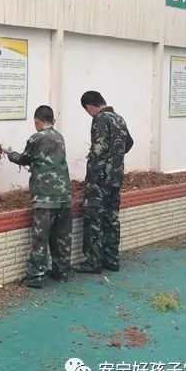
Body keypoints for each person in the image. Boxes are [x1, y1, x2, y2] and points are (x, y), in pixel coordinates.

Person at [6, 105, 72, 289]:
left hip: (45, 197)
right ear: (53, 120)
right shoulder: (59, 137)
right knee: (62, 236)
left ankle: (35, 276)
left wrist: (9, 153)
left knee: (40, 238)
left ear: (37, 121)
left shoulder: (37, 137)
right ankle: (61, 271)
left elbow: (24, 159)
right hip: (64, 196)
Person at [74, 91, 134, 274]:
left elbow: (98, 151)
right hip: (115, 178)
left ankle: (93, 262)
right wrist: (115, 158)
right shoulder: (119, 119)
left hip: (99, 180)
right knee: (111, 218)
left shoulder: (100, 119)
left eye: (87, 111)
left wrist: (92, 179)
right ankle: (111, 259)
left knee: (93, 218)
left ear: (89, 107)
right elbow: (129, 143)